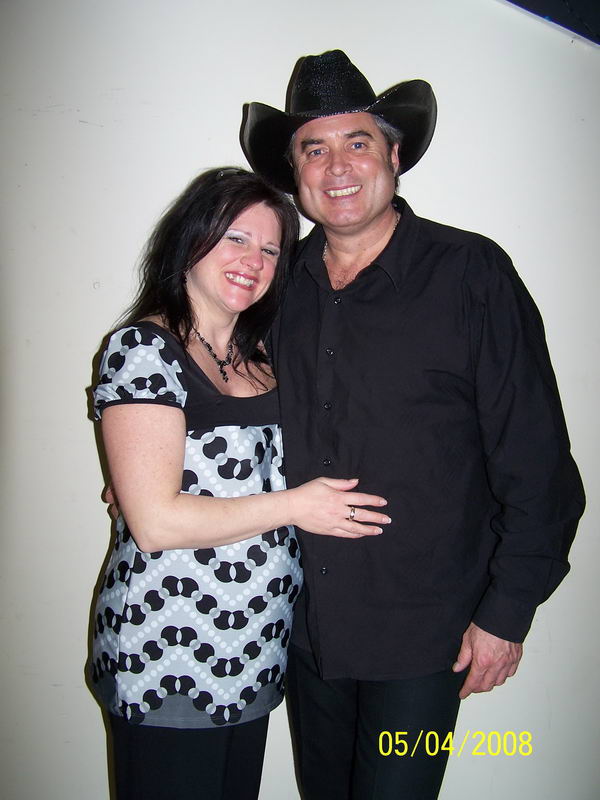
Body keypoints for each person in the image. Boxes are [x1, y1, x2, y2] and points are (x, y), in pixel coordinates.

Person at [241, 50, 585, 799]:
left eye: (357, 142)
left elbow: (538, 463)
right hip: (305, 627)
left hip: (429, 640)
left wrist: (507, 613)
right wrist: (158, 468)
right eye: (314, 148)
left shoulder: (472, 275)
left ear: (393, 157)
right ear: (294, 172)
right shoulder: (276, 286)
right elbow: (231, 397)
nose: (337, 166)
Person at [88, 166, 392, 800]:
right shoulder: (144, 349)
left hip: (253, 643)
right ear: (190, 241)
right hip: (168, 649)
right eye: (235, 238)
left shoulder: (262, 359)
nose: (253, 261)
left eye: (271, 250)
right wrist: (297, 506)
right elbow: (156, 523)